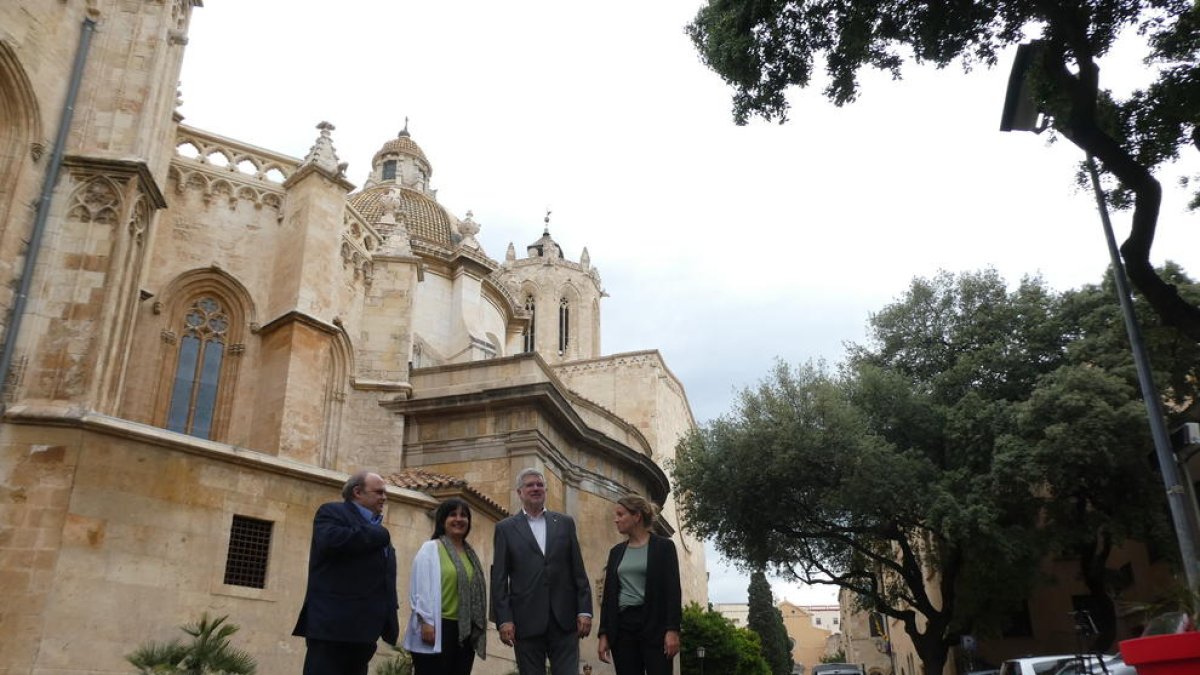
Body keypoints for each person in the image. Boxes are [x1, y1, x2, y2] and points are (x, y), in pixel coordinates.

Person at [292, 471, 400, 675]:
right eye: (378, 492)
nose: (384, 497)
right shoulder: (332, 512)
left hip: (364, 633)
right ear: (357, 492)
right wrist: (378, 533)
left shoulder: (377, 527)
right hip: (333, 630)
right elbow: (331, 541)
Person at [491, 468, 593, 675]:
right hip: (525, 621)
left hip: (564, 620)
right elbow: (499, 579)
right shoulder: (505, 528)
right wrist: (504, 619)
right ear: (519, 492)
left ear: (545, 490)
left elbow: (578, 571)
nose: (536, 488)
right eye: (530, 485)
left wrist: (585, 610)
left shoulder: (565, 523)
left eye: (539, 484)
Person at [596, 494, 682, 675]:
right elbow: (609, 596)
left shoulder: (664, 547)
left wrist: (672, 630)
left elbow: (673, 592)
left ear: (637, 517)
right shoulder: (616, 552)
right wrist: (604, 634)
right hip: (623, 628)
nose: (615, 519)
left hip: (655, 625)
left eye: (621, 514)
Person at [403, 497, 488, 675]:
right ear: (442, 520)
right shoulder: (431, 548)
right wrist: (426, 622)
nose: (459, 519)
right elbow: (420, 589)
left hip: (465, 631)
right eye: (452, 515)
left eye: (464, 515)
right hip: (438, 627)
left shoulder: (471, 555)